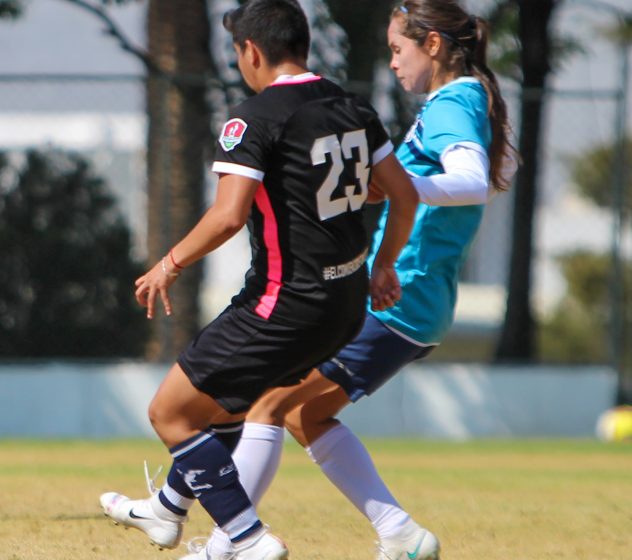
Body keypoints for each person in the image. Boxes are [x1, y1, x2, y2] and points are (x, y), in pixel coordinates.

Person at [182, 1, 516, 559]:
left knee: (269, 404)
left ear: (432, 46)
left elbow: (472, 180)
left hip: (400, 296)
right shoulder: (458, 101)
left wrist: (394, 186)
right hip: (414, 299)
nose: (392, 63)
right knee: (302, 412)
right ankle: (401, 535)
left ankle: (229, 545)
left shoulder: (455, 101)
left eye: (397, 49)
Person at [98, 2, 419, 559]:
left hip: (283, 302)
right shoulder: (351, 106)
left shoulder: (254, 118)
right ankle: (167, 509)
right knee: (223, 405)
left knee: (170, 412)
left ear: (251, 51)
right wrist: (384, 265)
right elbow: (403, 192)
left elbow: (227, 216)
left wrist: (166, 265)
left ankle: (248, 540)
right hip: (344, 304)